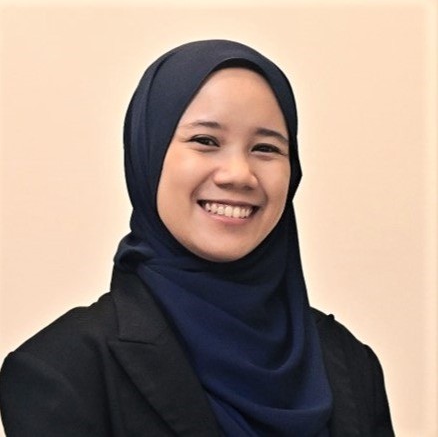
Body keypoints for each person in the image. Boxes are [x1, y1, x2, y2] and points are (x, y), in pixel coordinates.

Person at [0, 40, 394, 436]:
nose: (238, 174)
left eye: (266, 148)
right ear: (148, 155)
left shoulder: (349, 362)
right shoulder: (61, 371)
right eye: (206, 141)